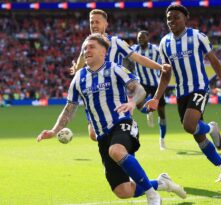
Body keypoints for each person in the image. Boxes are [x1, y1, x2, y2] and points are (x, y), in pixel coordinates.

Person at [37, 34, 186, 205]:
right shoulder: (79, 78)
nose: (87, 50)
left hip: (122, 124)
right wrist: (54, 130)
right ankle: (162, 183)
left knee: (116, 151)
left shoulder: (115, 69)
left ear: (103, 51)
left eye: (91, 47)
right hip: (102, 136)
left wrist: (132, 102)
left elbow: (139, 90)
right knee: (123, 191)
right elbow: (69, 108)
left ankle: (152, 195)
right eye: (85, 48)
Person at [144, 5, 221, 182]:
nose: (172, 21)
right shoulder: (164, 43)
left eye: (176, 17)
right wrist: (156, 98)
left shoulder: (197, 36)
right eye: (169, 18)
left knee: (188, 125)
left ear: (186, 18)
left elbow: (215, 62)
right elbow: (166, 74)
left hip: (199, 88)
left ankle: (211, 127)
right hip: (181, 93)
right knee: (197, 135)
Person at [69, 9, 167, 142]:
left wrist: (160, 66)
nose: (94, 25)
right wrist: (76, 68)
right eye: (91, 22)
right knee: (93, 134)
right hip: (95, 93)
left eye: (97, 22)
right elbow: (81, 61)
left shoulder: (116, 42)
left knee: (120, 130)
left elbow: (138, 58)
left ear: (106, 24)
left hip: (117, 93)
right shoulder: (87, 43)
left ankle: (126, 141)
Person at [131, 30, 168, 150]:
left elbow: (164, 61)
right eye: (138, 38)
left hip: (156, 84)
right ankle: (149, 112)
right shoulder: (134, 49)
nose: (140, 39)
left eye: (142, 37)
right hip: (142, 83)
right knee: (138, 105)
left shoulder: (155, 50)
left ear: (148, 37)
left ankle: (162, 139)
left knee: (162, 113)